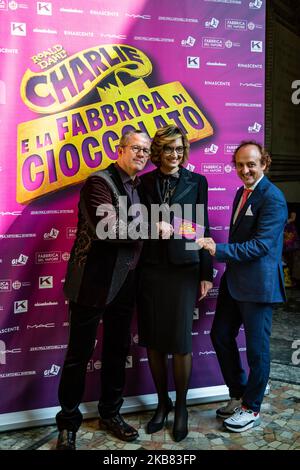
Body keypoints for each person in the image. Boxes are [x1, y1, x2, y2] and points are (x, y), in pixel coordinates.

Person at [55, 130, 151, 450]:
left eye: (146, 151)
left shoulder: (137, 187)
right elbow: (107, 228)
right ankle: (68, 423)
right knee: (78, 355)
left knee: (116, 351)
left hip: (125, 283)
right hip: (92, 282)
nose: (141, 154)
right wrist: (154, 227)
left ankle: (110, 414)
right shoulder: (99, 182)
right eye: (136, 148)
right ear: (120, 149)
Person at [197, 141, 287, 432]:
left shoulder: (273, 197)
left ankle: (252, 408)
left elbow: (261, 245)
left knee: (258, 351)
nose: (245, 170)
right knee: (221, 335)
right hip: (234, 282)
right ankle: (238, 394)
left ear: (264, 163)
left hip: (259, 286)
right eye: (240, 164)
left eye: (251, 164)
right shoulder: (241, 192)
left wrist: (218, 251)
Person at [138, 125, 213, 442]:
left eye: (180, 149)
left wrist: (206, 272)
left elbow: (202, 226)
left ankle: (181, 406)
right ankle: (163, 402)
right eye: (168, 149)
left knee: (181, 343)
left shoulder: (198, 181)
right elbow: (136, 221)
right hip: (151, 268)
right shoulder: (143, 182)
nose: (174, 155)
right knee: (154, 341)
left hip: (184, 269)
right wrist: (154, 223)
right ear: (158, 152)